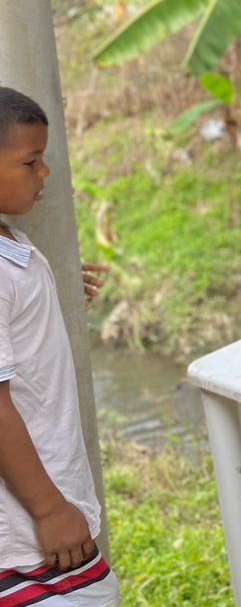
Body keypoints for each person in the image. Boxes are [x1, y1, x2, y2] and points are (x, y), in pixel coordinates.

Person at [0, 87, 119, 607]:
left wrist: (52, 293)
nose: (43, 173)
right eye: (30, 161)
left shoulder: (12, 243)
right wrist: (50, 510)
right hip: (24, 535)